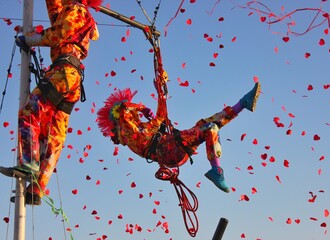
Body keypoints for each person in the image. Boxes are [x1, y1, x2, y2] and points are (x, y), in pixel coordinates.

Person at [0, 0, 102, 205]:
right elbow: (57, 14)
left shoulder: (75, 9)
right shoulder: (82, 14)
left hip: (64, 72)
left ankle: (28, 163)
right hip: (73, 78)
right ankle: (37, 189)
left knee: (31, 109)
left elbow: (58, 34)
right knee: (55, 135)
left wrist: (29, 39)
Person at [97, 82, 261, 193]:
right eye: (132, 114)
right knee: (210, 129)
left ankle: (242, 104)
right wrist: (141, 107)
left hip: (172, 146)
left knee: (206, 123)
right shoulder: (129, 133)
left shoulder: (140, 128)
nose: (135, 115)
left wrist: (162, 91)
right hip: (170, 151)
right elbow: (124, 110)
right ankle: (216, 171)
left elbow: (160, 116)